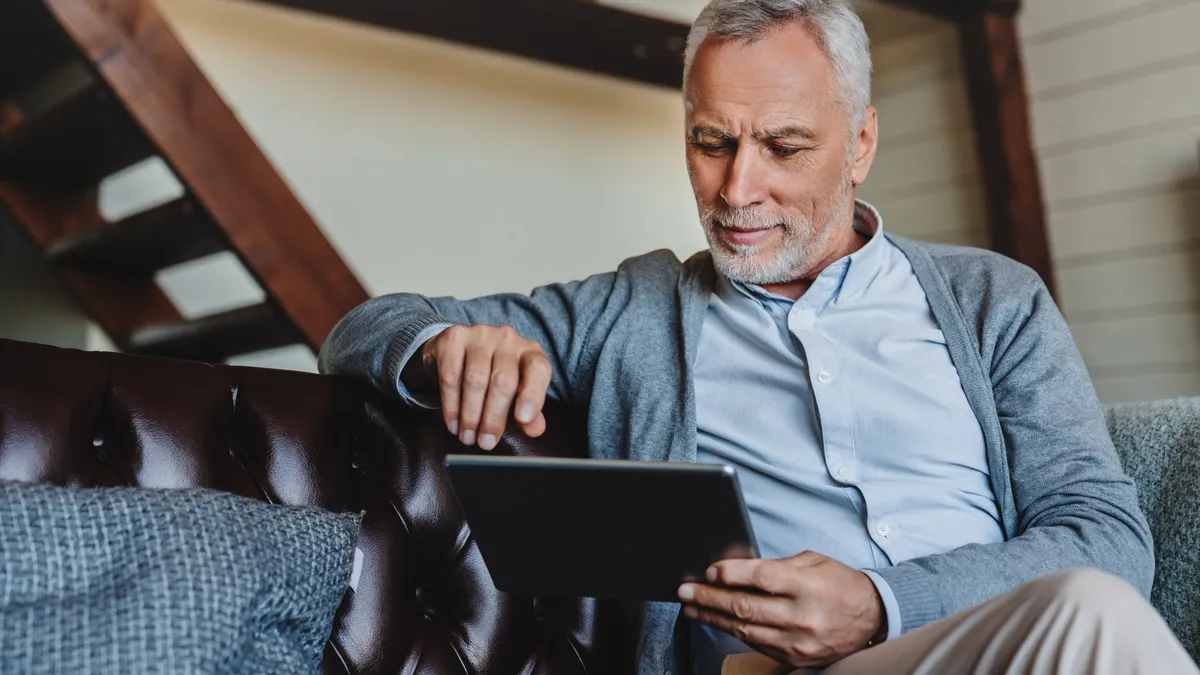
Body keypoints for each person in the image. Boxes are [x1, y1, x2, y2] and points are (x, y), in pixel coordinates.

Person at [319, 1, 1197, 673]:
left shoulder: (993, 300)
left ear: (859, 143)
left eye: (783, 146)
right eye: (710, 142)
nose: (738, 189)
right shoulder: (633, 309)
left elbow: (1106, 536)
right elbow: (362, 327)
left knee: (1094, 609)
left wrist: (883, 604)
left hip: (981, 648)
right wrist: (441, 345)